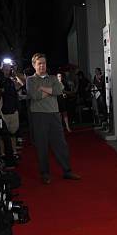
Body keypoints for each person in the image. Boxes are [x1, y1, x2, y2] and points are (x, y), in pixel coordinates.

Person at [27, 53, 80, 184]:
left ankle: (67, 171)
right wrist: (50, 90)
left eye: (44, 63)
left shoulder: (52, 77)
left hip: (54, 114)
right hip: (39, 115)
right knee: (42, 146)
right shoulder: (30, 80)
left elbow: (59, 90)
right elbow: (34, 95)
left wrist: (43, 90)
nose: (42, 66)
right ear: (34, 65)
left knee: (61, 144)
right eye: (39, 63)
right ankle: (45, 173)